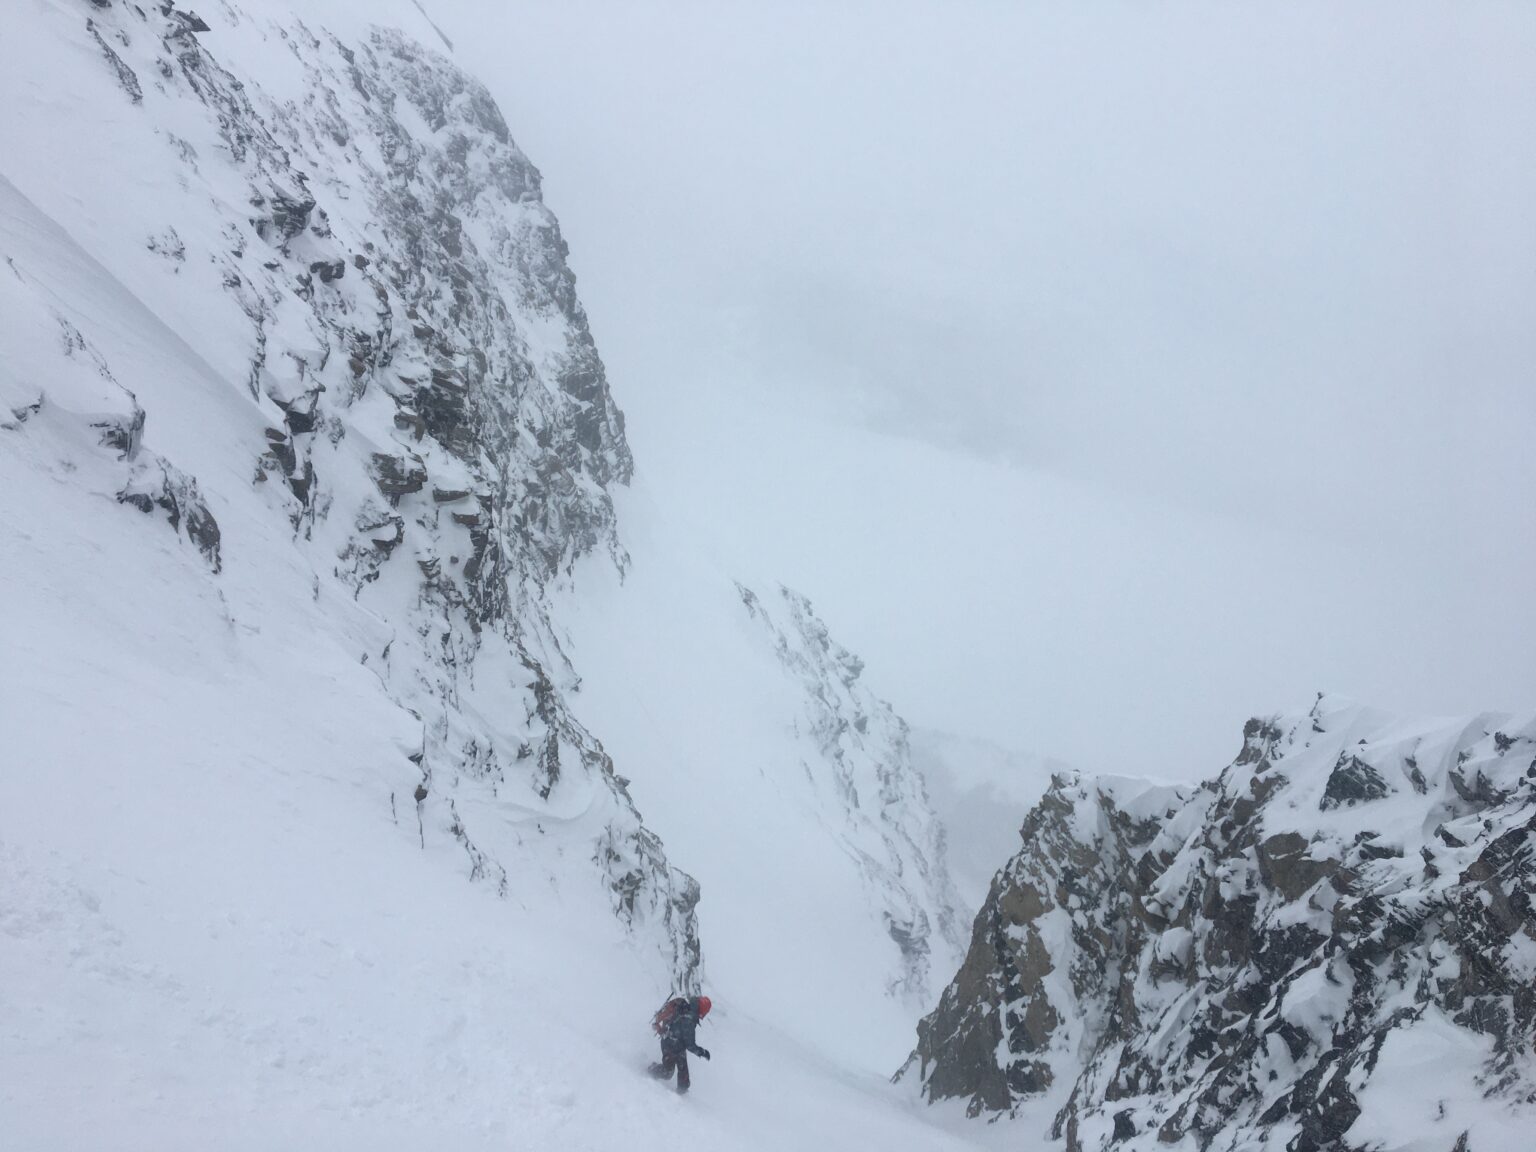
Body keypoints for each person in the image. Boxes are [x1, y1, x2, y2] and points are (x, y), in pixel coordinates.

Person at [647, 994, 712, 1093]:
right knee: (667, 1072)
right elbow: (690, 1045)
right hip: (669, 1043)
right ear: (703, 1011)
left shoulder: (685, 1007)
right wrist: (702, 1052)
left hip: (676, 1044)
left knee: (683, 1078)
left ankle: (683, 1095)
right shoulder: (689, 1019)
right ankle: (650, 1071)